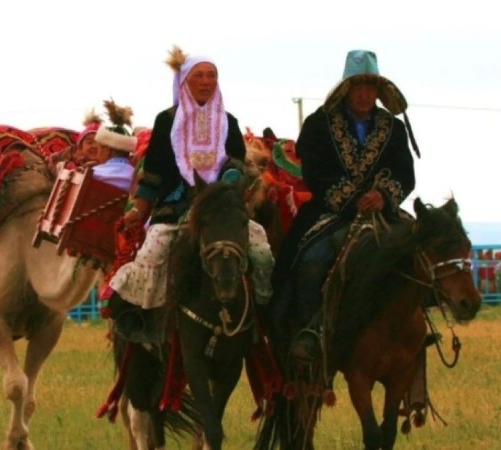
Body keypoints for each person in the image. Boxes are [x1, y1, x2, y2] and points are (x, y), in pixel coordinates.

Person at [106, 46, 274, 342]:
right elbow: (154, 173)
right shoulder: (166, 121)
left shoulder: (228, 122)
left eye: (212, 75)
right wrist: (139, 211)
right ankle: (143, 320)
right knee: (152, 252)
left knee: (260, 248)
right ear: (184, 81)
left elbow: (237, 163)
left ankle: (263, 310)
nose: (206, 81)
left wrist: (232, 175)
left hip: (219, 209)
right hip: (174, 207)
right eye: (199, 76)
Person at [271, 50, 418, 363]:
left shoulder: (393, 128)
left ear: (379, 91)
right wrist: (353, 200)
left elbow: (406, 174)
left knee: (417, 254)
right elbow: (315, 172)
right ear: (345, 89)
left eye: (370, 87)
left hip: (383, 211)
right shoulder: (318, 125)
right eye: (357, 87)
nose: (364, 94)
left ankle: (417, 328)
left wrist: (383, 195)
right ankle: (310, 330)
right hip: (330, 212)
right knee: (311, 260)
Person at [91, 99, 137, 190]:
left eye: (99, 148)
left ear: (108, 150)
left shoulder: (94, 174)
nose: (97, 154)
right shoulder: (136, 178)